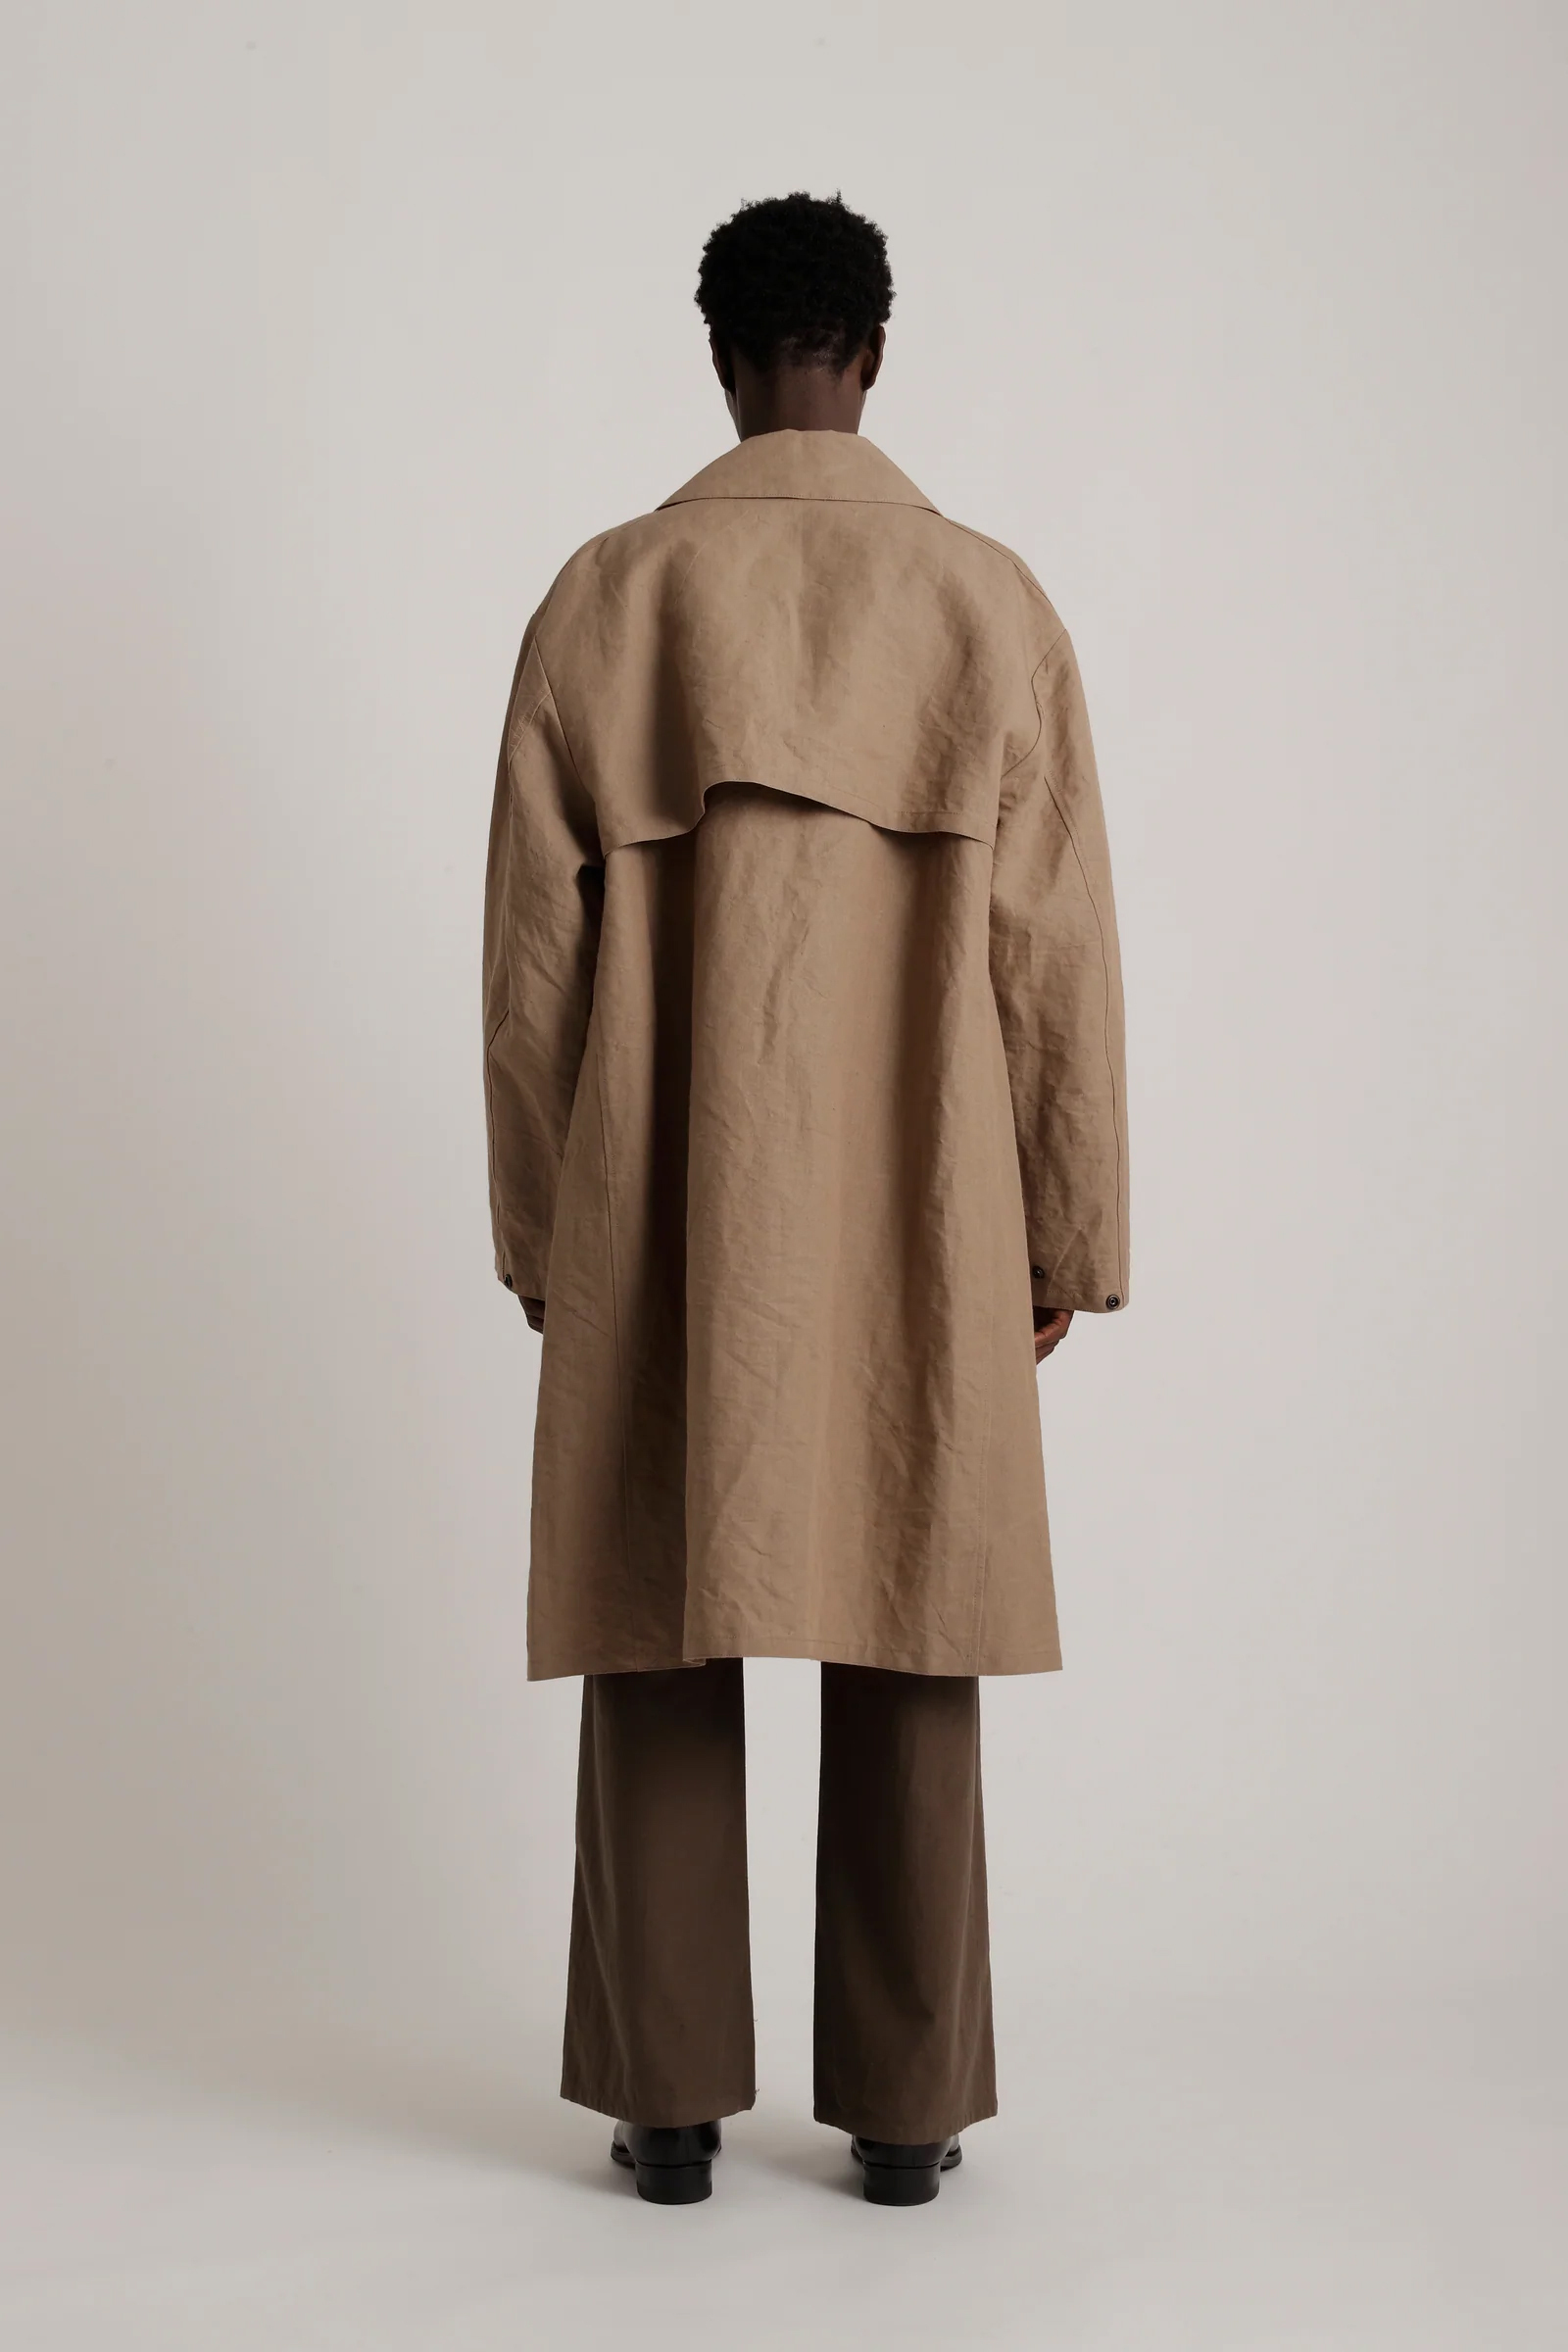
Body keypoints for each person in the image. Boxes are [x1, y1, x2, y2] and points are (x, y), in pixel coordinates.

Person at [482, 191, 1128, 2207]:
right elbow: (1055, 956)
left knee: (659, 1597)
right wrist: (1064, 1230)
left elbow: (529, 970)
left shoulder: (609, 598)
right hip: (924, 1198)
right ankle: (908, 2115)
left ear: (720, 361)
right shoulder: (989, 606)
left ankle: (667, 2104)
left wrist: (544, 1234)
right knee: (913, 1587)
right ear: (874, 355)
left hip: (665, 1188)